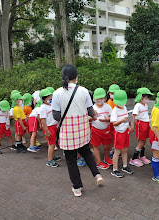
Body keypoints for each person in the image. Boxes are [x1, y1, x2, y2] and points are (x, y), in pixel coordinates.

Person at [52, 64, 103, 197]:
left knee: (70, 160)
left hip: (68, 133)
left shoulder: (57, 93)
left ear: (63, 77)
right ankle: (97, 175)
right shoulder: (84, 91)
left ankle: (77, 187)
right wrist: (95, 115)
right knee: (86, 152)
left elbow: (56, 116)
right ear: (76, 77)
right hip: (82, 130)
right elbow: (91, 111)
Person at [110, 90, 134, 178]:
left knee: (125, 150)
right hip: (119, 133)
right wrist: (122, 121)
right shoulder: (114, 110)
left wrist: (130, 126)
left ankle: (125, 166)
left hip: (125, 131)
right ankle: (115, 169)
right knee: (117, 151)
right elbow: (114, 123)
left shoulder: (124, 108)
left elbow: (127, 118)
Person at [129, 88, 154, 167]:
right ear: (141, 97)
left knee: (144, 141)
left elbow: (144, 115)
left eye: (148, 97)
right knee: (141, 142)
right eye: (146, 97)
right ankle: (133, 159)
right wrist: (132, 126)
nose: (147, 99)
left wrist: (150, 117)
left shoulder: (145, 105)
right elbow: (133, 117)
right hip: (141, 124)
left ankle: (142, 156)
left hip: (146, 124)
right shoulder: (138, 105)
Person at [91, 88, 113, 170]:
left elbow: (111, 117)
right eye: (98, 98)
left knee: (107, 146)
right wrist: (91, 118)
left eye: (102, 98)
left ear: (105, 97)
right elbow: (88, 118)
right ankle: (98, 162)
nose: (100, 100)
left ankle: (106, 158)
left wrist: (106, 120)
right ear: (94, 98)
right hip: (96, 130)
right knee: (96, 147)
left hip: (106, 130)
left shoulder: (107, 107)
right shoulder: (92, 108)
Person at [39, 88, 61, 167]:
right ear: (43, 99)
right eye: (48, 97)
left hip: (54, 126)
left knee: (54, 143)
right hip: (49, 127)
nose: (50, 98)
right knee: (51, 144)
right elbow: (43, 120)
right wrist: (46, 130)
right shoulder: (43, 108)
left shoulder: (51, 105)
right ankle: (49, 161)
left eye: (50, 96)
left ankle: (52, 156)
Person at [107, 84, 120, 158]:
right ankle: (111, 150)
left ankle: (115, 149)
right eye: (111, 93)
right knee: (112, 137)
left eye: (114, 93)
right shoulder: (109, 101)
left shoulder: (117, 101)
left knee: (116, 137)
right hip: (112, 122)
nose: (112, 95)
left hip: (117, 122)